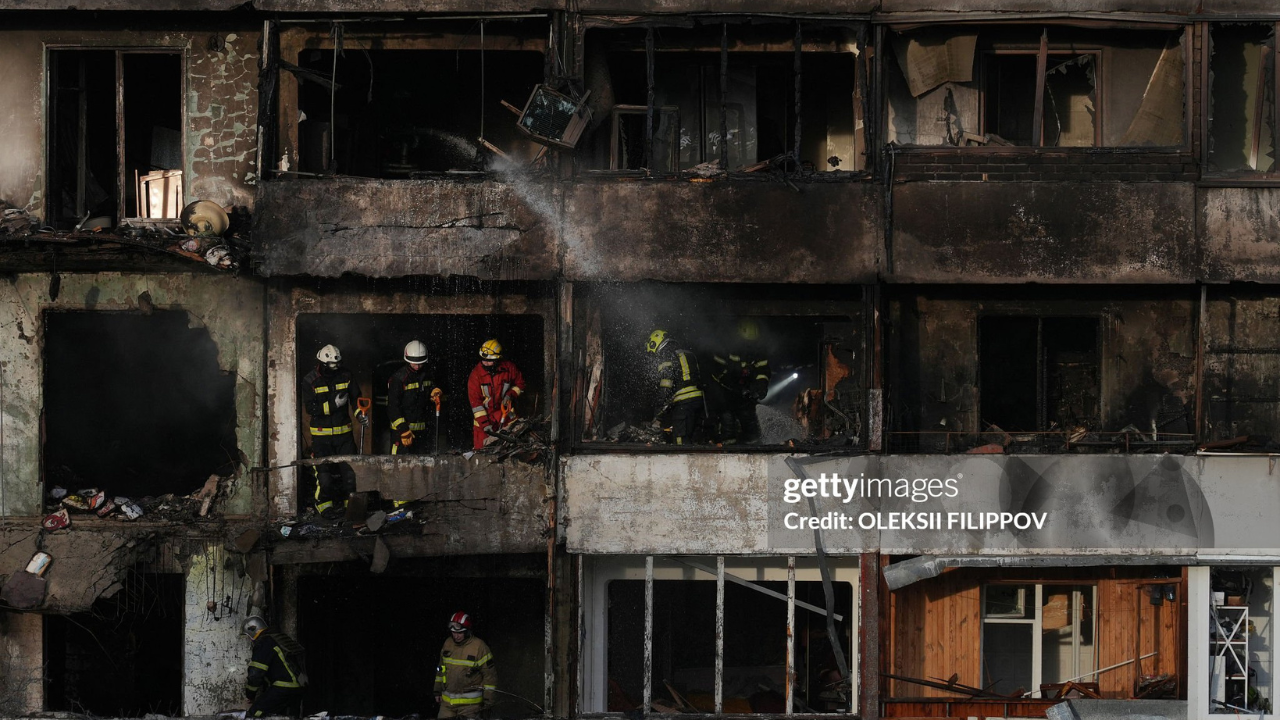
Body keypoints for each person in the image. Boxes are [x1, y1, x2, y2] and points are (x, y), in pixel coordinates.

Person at [301, 344, 368, 519]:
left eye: (337, 364)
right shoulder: (310, 381)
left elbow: (356, 399)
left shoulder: (346, 376)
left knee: (350, 473)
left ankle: (350, 506)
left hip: (344, 435)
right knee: (325, 476)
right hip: (321, 437)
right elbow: (310, 408)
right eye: (332, 365)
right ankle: (324, 506)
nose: (336, 367)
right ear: (322, 363)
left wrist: (360, 414)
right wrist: (333, 405)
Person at [711, 319, 772, 444]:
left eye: (752, 342)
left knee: (749, 419)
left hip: (745, 392)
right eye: (746, 342)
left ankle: (753, 447)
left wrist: (761, 386)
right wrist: (735, 387)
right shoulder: (725, 349)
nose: (749, 345)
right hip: (724, 392)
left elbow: (763, 371)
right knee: (727, 419)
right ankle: (728, 449)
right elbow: (718, 372)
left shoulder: (759, 352)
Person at [646, 329, 706, 445]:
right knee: (693, 436)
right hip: (699, 400)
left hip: (684, 402)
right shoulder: (687, 353)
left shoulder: (667, 354)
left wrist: (657, 415)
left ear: (654, 343)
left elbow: (666, 385)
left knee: (680, 439)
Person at [434, 611, 496, 718]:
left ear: (467, 631)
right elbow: (441, 668)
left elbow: (489, 676)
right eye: (453, 632)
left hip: (470, 706)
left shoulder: (479, 647)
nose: (456, 636)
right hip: (447, 704)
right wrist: (437, 690)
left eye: (460, 633)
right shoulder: (448, 643)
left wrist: (488, 701)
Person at [242, 615, 306, 718]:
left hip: (283, 687)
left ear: (252, 631)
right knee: (287, 716)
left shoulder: (264, 642)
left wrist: (250, 694)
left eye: (248, 636)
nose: (250, 640)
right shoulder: (278, 638)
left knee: (254, 714)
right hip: (299, 687)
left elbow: (255, 674)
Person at [467, 340, 526, 450]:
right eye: (483, 360)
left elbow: (521, 384)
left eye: (489, 361)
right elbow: (476, 404)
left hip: (506, 415)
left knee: (512, 448)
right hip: (484, 420)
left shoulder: (509, 368)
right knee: (482, 452)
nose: (485, 363)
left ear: (498, 359)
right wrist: (485, 425)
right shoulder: (475, 375)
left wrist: (510, 395)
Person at [388, 340, 443, 456]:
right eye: (414, 364)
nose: (417, 367)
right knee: (399, 464)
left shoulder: (427, 374)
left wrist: (435, 390)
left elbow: (430, 389)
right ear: (407, 360)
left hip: (422, 432)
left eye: (420, 364)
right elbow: (393, 407)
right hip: (402, 432)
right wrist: (403, 429)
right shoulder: (399, 379)